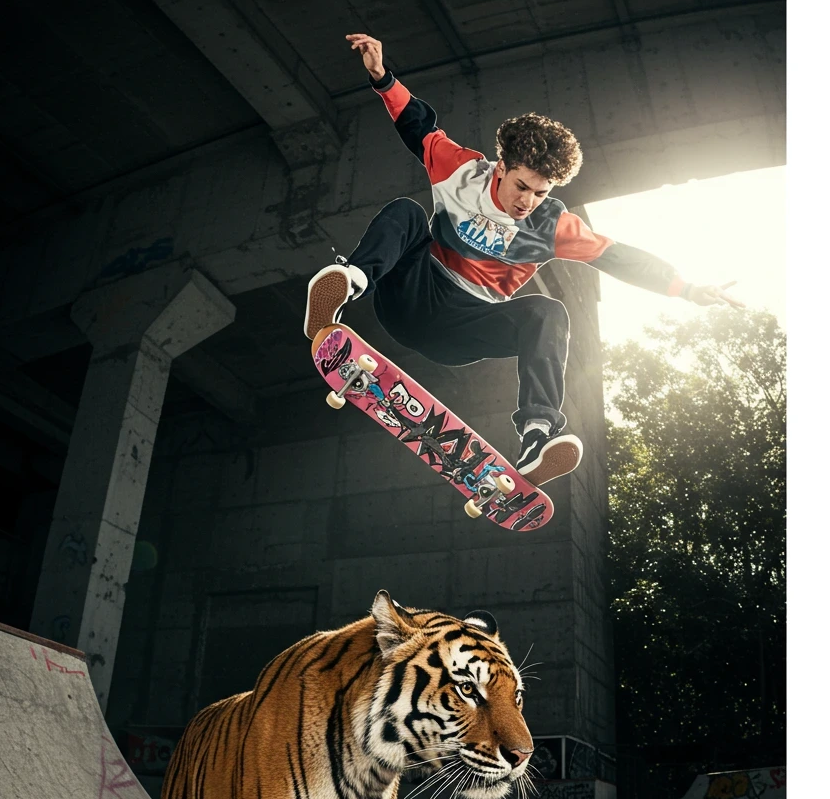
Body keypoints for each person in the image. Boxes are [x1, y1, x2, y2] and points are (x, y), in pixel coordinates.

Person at [304, 33, 743, 486]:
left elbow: (617, 257)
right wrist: (382, 77)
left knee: (548, 312)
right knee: (408, 213)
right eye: (522, 186)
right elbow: (417, 127)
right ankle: (347, 285)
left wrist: (686, 288)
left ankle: (537, 436)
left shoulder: (554, 225)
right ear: (501, 168)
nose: (527, 202)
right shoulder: (462, 170)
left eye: (540, 193)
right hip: (411, 293)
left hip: (463, 328)